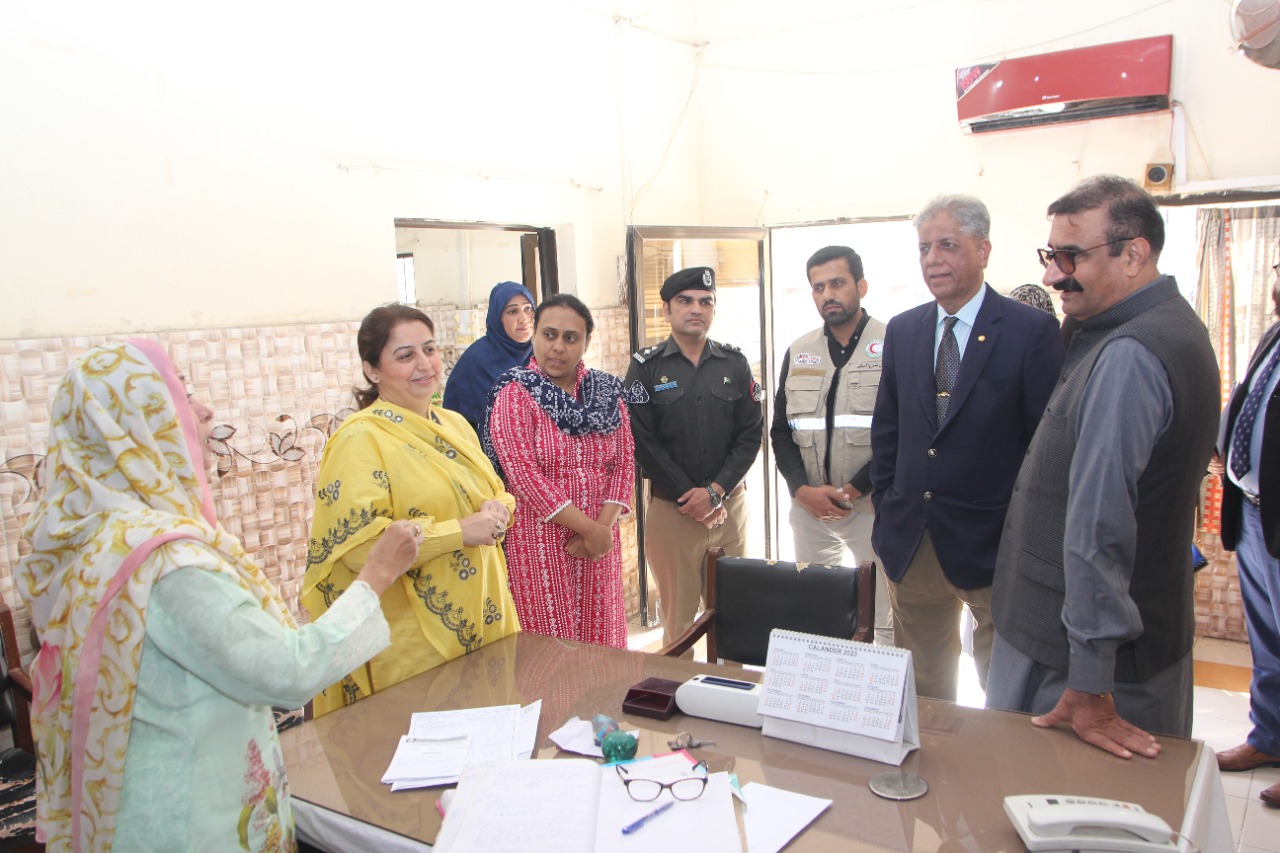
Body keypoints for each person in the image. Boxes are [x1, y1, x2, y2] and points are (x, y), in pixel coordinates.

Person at [14, 339, 423, 852]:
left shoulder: (82, 538)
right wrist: (376, 575)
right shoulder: (166, 564)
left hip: (123, 798)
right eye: (181, 394)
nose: (205, 410)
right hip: (190, 815)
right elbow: (288, 671)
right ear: (136, 425)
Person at [987, 175, 1219, 758]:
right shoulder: (1131, 326)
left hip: (1081, 674)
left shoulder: (1130, 356)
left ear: (1134, 254)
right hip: (1073, 646)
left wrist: (1090, 681)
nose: (1051, 276)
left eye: (1071, 257)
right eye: (1049, 255)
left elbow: (1099, 526)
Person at [870, 194, 1064, 701]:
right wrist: (888, 506)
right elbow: (888, 429)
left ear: (983, 250)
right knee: (925, 692)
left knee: (1003, 691)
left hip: (995, 544)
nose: (933, 259)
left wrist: (1030, 533)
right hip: (913, 541)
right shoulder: (904, 330)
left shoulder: (1030, 331)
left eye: (948, 245)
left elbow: (1045, 447)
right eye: (924, 248)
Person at [302, 303, 520, 717]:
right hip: (413, 639)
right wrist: (459, 532)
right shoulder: (361, 439)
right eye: (405, 356)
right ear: (372, 370)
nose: (425, 364)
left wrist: (498, 509)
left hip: (485, 613)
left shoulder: (453, 424)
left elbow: (495, 492)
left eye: (430, 349)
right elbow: (359, 545)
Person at [484, 294, 638, 648]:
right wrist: (590, 530)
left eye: (571, 338)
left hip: (599, 541)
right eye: (549, 334)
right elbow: (523, 476)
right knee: (550, 651)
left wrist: (601, 529)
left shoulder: (607, 393)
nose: (558, 347)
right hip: (539, 543)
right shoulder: (515, 393)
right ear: (535, 335)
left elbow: (624, 461)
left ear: (586, 342)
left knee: (602, 644)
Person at [624, 267, 765, 646]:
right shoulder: (646, 367)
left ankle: (732, 682)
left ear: (714, 309)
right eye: (685, 301)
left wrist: (715, 492)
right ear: (667, 310)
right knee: (678, 622)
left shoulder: (735, 363)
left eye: (706, 302)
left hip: (730, 510)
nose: (696, 309)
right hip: (673, 514)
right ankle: (680, 684)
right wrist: (691, 496)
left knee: (737, 614)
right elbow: (641, 440)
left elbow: (751, 434)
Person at [771, 245, 891, 644]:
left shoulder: (892, 344)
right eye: (818, 287)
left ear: (861, 286)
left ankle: (875, 684)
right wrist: (801, 490)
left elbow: (903, 435)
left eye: (837, 283)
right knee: (817, 615)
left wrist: (853, 490)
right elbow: (781, 432)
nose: (828, 295)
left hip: (872, 507)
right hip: (810, 509)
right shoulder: (799, 350)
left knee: (883, 619)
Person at [1211, 248, 1280, 800]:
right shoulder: (1273, 335)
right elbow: (1251, 402)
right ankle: (1270, 737)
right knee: (1269, 640)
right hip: (1256, 512)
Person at [443, 281, 535, 434]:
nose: (523, 318)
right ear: (497, 318)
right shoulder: (477, 360)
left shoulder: (541, 355)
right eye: (513, 312)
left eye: (528, 309)